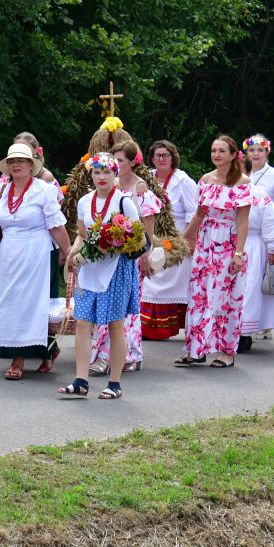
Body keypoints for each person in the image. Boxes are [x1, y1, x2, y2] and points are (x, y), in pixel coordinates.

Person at [60, 152, 141, 399]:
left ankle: (114, 382)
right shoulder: (85, 201)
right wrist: (75, 249)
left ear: (116, 174)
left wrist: (113, 244)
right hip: (90, 268)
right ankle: (81, 380)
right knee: (83, 323)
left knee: (115, 325)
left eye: (107, 172)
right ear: (91, 174)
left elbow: (138, 239)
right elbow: (82, 233)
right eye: (97, 172)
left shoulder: (124, 201)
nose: (102, 177)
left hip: (116, 269)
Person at [0, 143, 70, 380]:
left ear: (31, 165)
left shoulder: (43, 190)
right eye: (12, 161)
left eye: (21, 161)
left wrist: (69, 253)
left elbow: (56, 225)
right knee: (9, 303)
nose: (16, 165)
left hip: (36, 253)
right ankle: (47, 350)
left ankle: (18, 360)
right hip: (9, 255)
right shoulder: (3, 190)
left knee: (30, 305)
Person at [176, 135, 251, 368]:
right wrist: (182, 239)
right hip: (206, 243)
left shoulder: (242, 182)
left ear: (232, 154)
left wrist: (238, 254)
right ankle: (196, 349)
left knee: (226, 299)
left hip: (228, 243)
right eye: (213, 150)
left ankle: (227, 352)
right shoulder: (206, 180)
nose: (216, 155)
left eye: (221, 151)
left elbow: (242, 221)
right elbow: (199, 214)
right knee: (199, 297)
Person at [88, 139, 160, 375]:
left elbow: (147, 228)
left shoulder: (139, 188)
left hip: (132, 256)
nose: (116, 164)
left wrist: (146, 257)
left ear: (132, 162)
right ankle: (117, 354)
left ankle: (122, 354)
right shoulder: (109, 185)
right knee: (107, 305)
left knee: (125, 308)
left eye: (120, 160)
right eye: (113, 160)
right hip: (107, 256)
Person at [141, 140, 197, 340]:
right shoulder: (146, 177)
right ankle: (149, 328)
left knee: (171, 281)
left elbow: (194, 212)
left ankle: (169, 327)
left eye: (165, 155)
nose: (161, 159)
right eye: (157, 155)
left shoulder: (182, 181)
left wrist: (187, 240)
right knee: (150, 280)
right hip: (151, 234)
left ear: (173, 157)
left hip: (177, 234)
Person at [238, 158, 274, 351]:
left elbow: (270, 222)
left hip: (252, 245)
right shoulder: (223, 193)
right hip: (227, 245)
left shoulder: (259, 195)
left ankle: (243, 333)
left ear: (249, 173)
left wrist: (273, 249)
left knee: (249, 290)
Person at [243, 133, 274, 244]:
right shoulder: (240, 174)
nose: (256, 154)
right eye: (251, 150)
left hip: (267, 234)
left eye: (260, 150)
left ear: (267, 152)